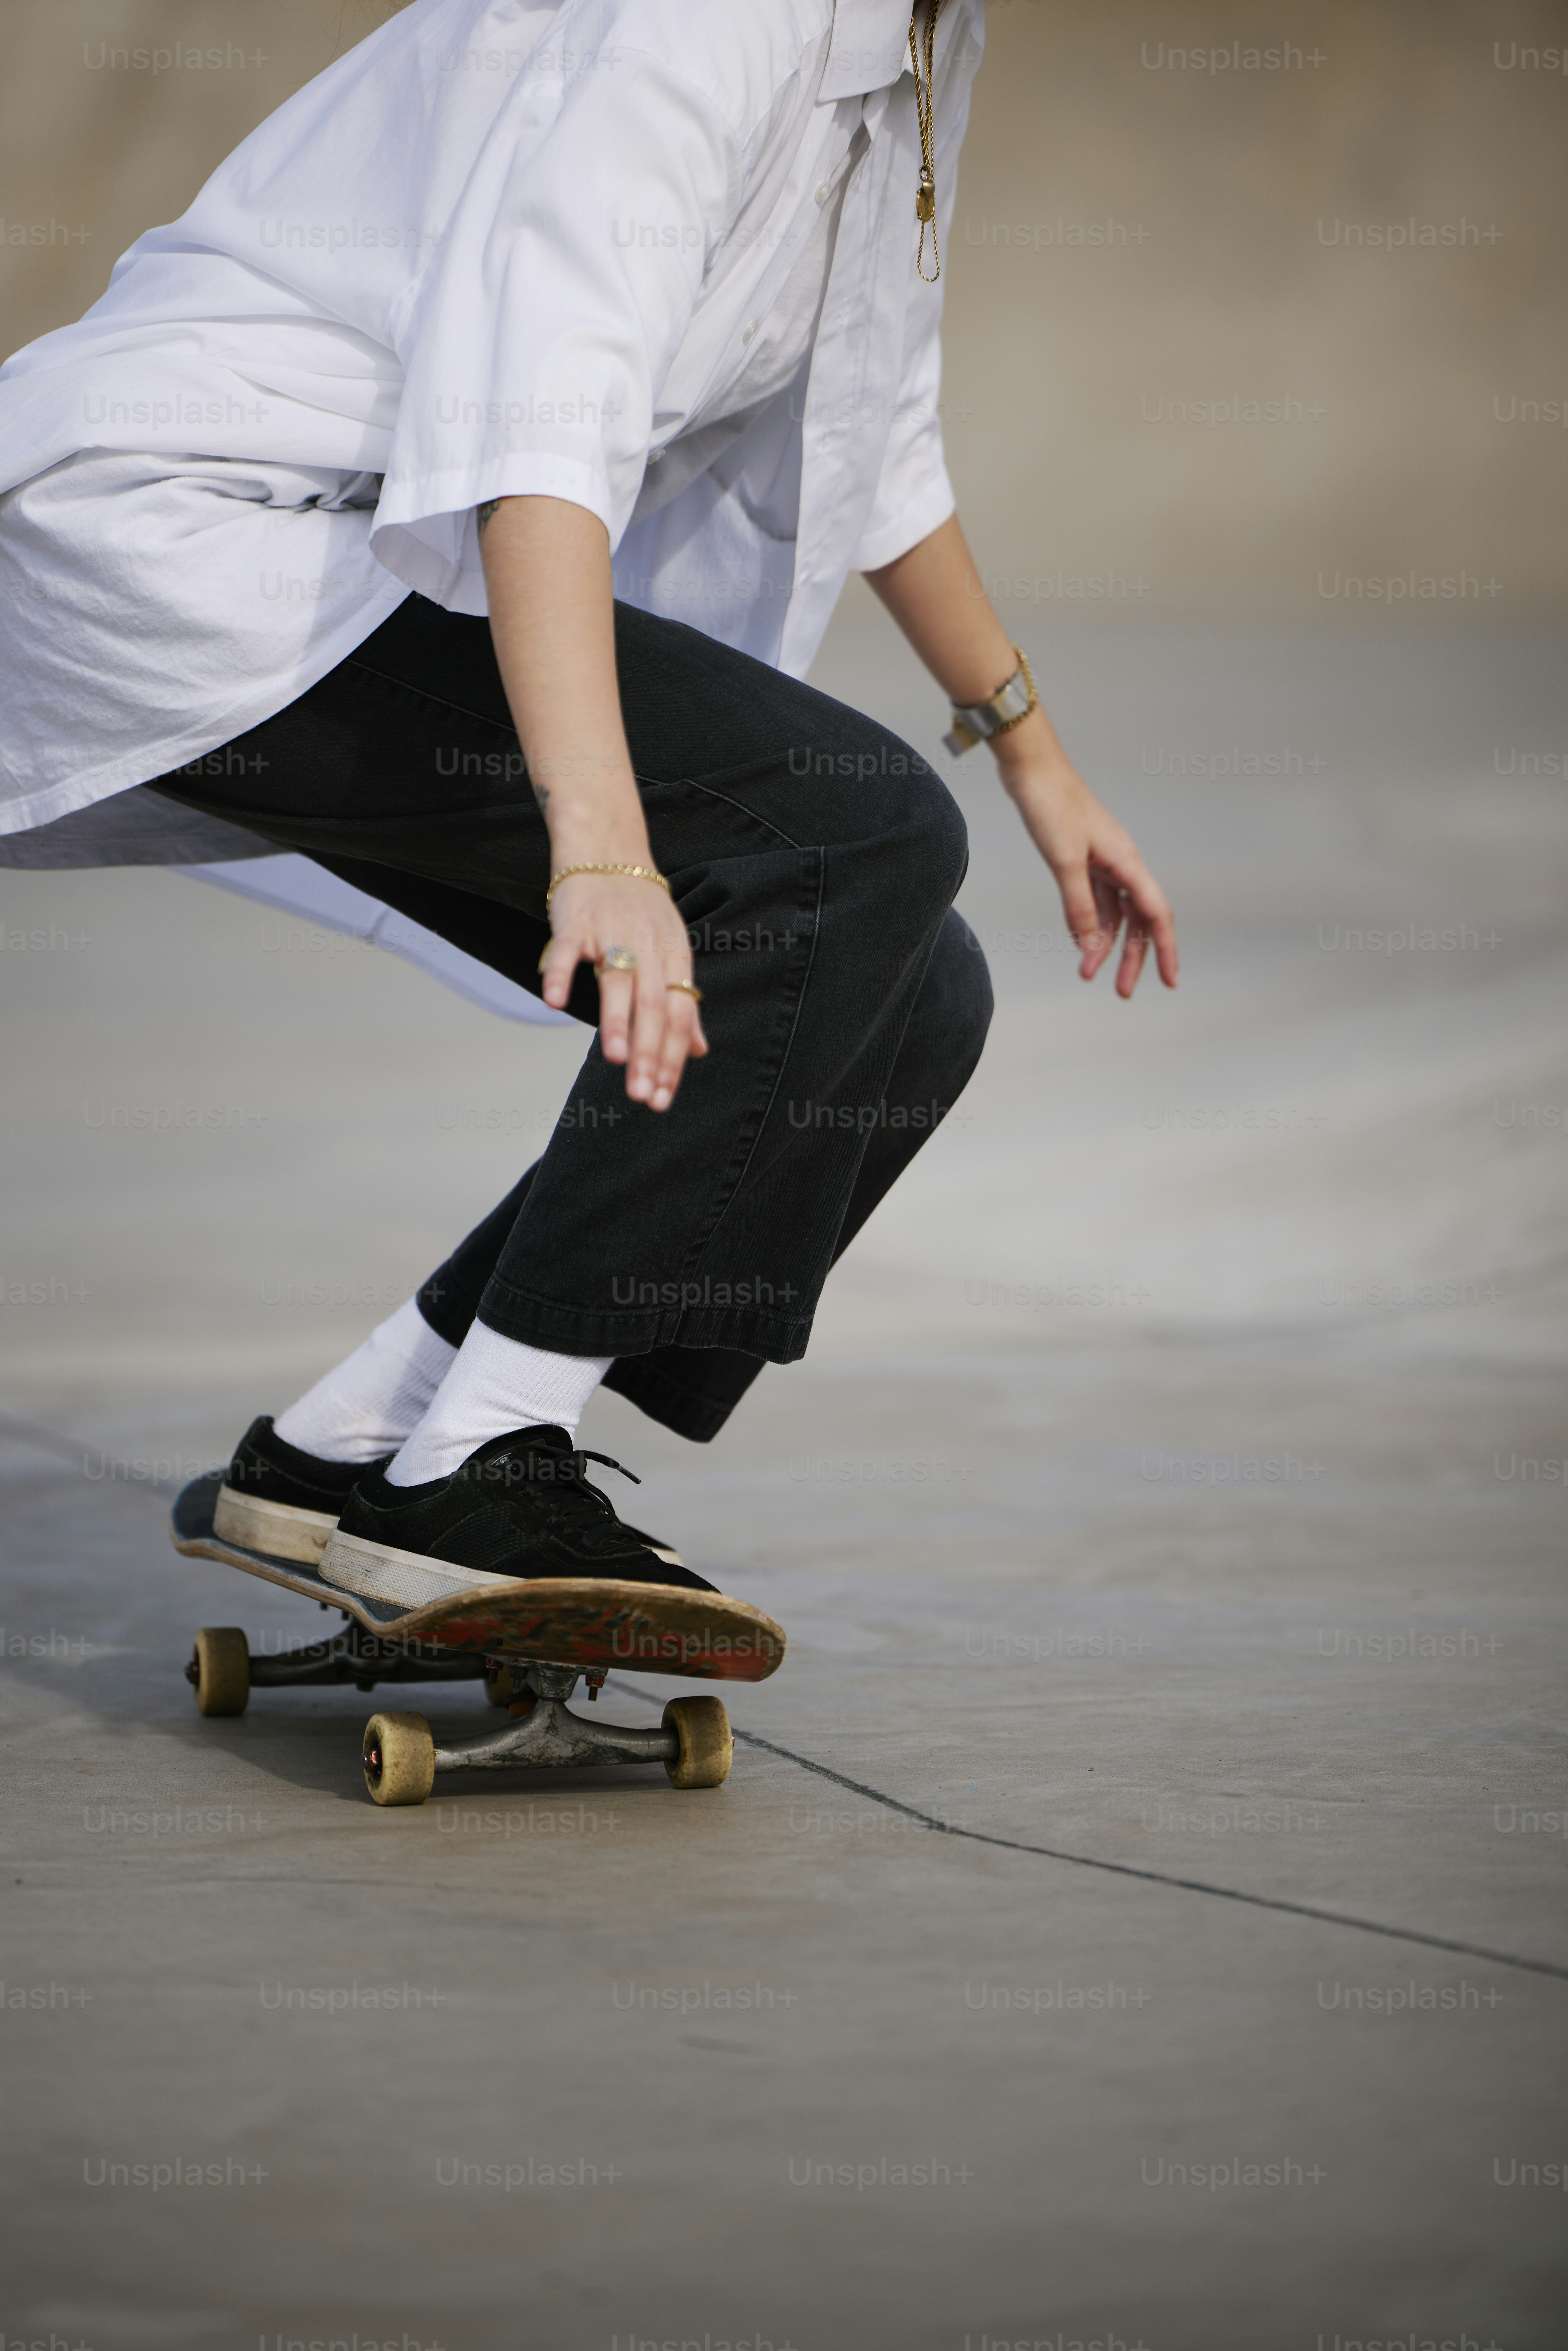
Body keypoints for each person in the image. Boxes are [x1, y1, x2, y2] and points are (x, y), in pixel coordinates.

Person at [0, 0, 1176, 1607]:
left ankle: (354, 1444)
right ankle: (472, 1480)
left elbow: (870, 422)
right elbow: (534, 431)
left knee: (910, 986)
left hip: (357, 546)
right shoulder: (707, 19)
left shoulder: (914, 41)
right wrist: (603, 843)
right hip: (194, 531)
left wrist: (1033, 751)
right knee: (848, 847)